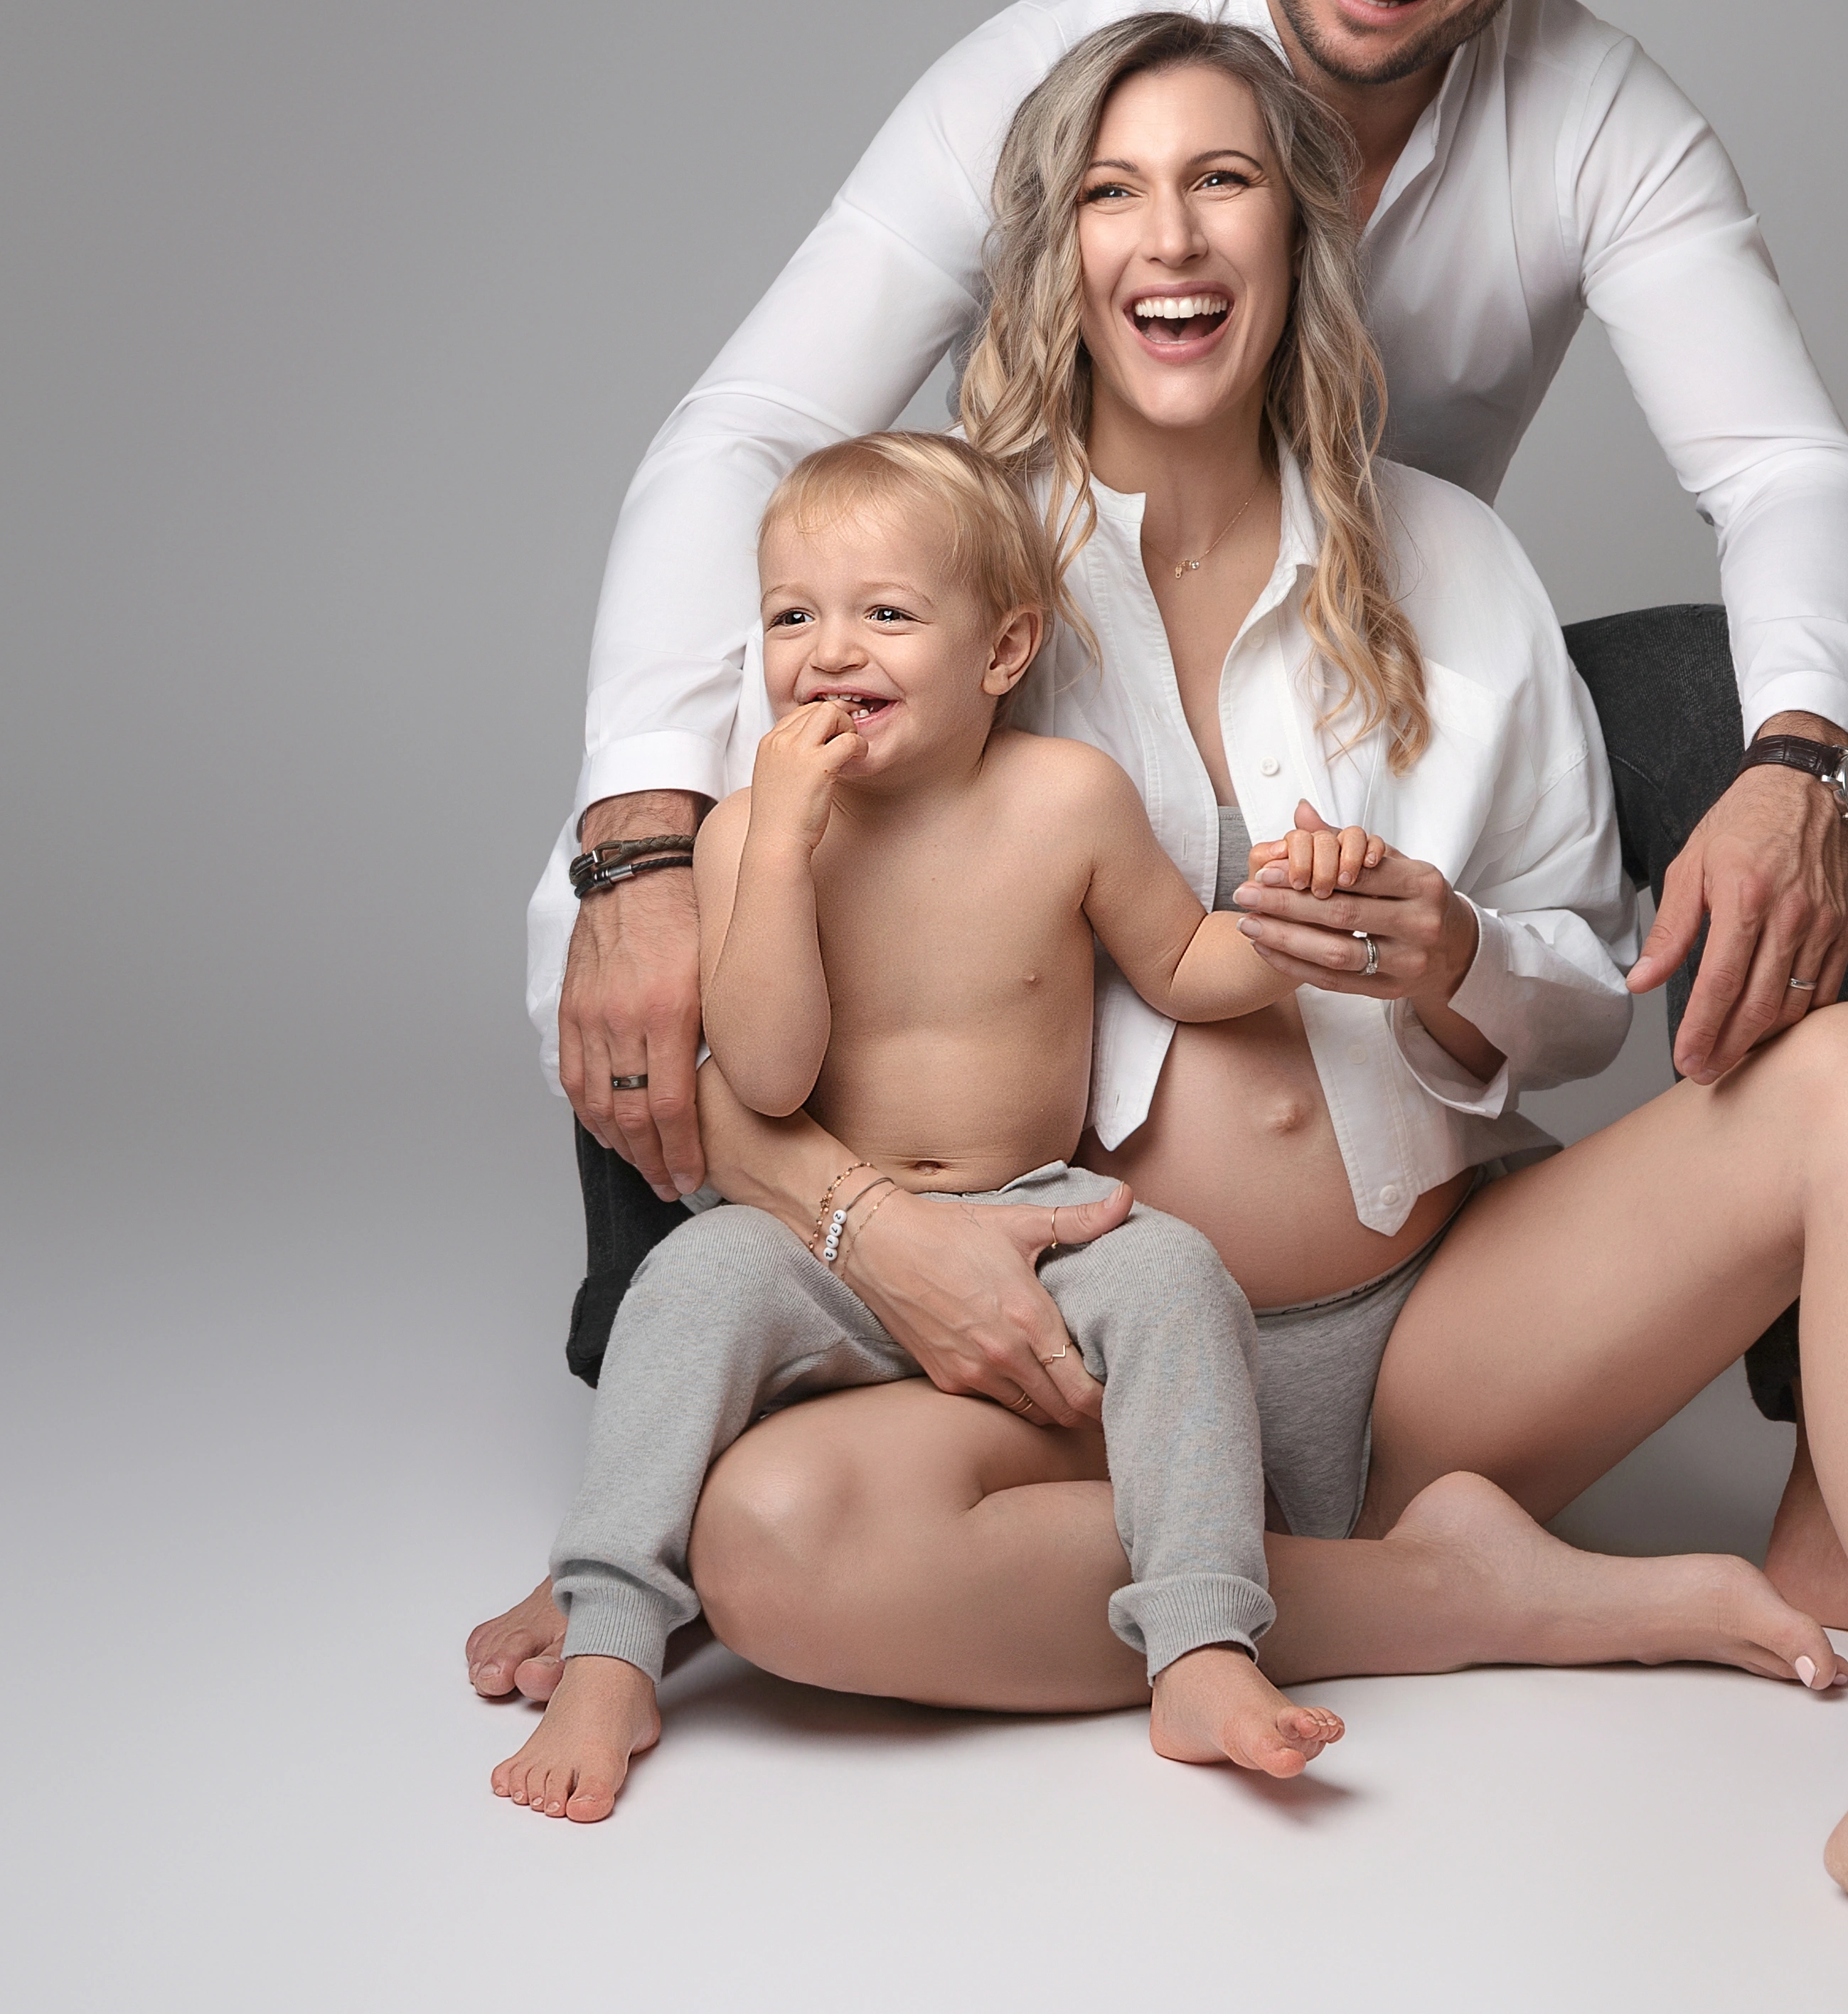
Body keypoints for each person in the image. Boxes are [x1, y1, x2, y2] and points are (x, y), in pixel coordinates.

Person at [515, 0, 1848, 1720]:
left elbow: (1786, 473)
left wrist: (1801, 764)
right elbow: (746, 441)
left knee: (1755, 734)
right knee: (704, 850)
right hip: (1068, 662)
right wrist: (646, 854)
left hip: (1390, 657)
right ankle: (630, 1524)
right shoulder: (1063, 77)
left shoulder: (1595, 124)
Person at [496, 432, 1407, 1820]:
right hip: (817, 1247)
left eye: (884, 612)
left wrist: (1292, 934)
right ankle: (613, 1635)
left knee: (1174, 1278)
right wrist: (779, 852)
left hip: (1030, 1215)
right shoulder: (747, 829)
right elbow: (764, 1066)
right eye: (791, 615)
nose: (827, 649)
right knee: (687, 1282)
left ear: (1001, 649)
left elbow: (1183, 968)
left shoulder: (1064, 803)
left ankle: (1200, 1640)